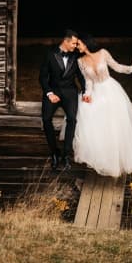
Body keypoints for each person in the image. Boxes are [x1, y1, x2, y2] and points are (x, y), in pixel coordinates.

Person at [73, 33, 132, 178]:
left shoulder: (103, 53)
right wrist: (87, 94)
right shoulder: (80, 61)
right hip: (96, 91)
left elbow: (117, 67)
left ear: (86, 43)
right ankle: (102, 159)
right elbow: (88, 81)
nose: (77, 46)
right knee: (89, 116)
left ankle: (119, 161)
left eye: (79, 44)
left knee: (115, 125)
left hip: (111, 90)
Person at [39, 29, 89, 170]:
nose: (75, 46)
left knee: (72, 119)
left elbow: (81, 77)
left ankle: (66, 154)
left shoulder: (75, 56)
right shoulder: (50, 54)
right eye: (73, 43)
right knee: (46, 118)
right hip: (53, 91)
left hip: (70, 92)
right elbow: (42, 77)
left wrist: (85, 91)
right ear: (66, 41)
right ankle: (54, 153)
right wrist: (49, 93)